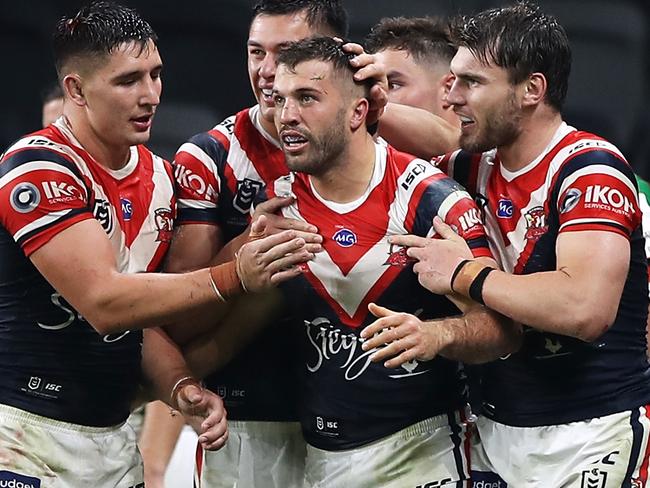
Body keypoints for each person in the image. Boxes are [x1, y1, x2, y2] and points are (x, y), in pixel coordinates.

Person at [0, 2, 315, 486]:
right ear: (76, 90)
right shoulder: (37, 167)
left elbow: (141, 321)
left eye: (156, 74)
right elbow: (105, 302)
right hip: (23, 435)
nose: (150, 96)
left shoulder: (162, 181)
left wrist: (180, 386)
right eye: (129, 81)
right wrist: (235, 275)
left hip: (113, 440)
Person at [383, 3, 650, 486]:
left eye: (473, 83)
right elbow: (429, 139)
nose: (453, 98)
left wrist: (464, 275)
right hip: (496, 432)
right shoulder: (473, 165)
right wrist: (363, 100)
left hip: (592, 433)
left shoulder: (589, 169)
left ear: (532, 90)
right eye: (453, 80)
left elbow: (585, 309)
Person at [269, 36, 520, 488]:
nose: (287, 115)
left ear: (357, 112)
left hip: (424, 455)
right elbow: (240, 315)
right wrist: (183, 383)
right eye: (279, 99)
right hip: (316, 460)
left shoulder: (429, 199)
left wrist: (434, 334)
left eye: (306, 98)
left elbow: (503, 331)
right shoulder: (279, 207)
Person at [167, 1, 346, 487]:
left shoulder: (378, 139)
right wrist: (246, 248)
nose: (267, 72)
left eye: (284, 53)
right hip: (251, 420)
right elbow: (178, 317)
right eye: (255, 53)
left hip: (369, 418)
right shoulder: (210, 156)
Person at [364, 16, 458, 129]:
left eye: (393, 85)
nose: (376, 97)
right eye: (372, 85)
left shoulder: (483, 142)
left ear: (449, 89)